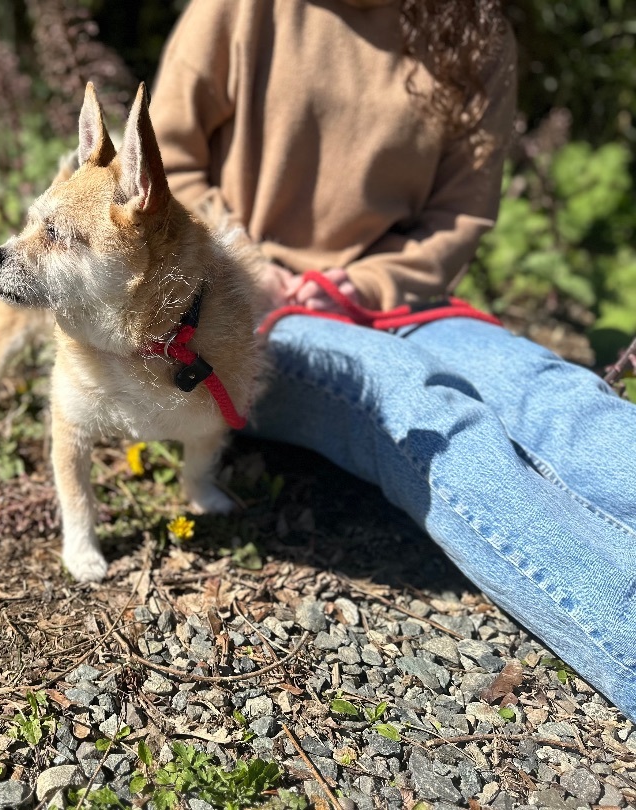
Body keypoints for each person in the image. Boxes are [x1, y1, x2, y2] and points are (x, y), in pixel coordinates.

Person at [149, 0, 636, 721]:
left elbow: (458, 218)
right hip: (247, 309)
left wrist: (362, 284)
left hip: (401, 300)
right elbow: (159, 162)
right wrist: (251, 263)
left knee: (556, 396)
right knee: (423, 406)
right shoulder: (241, 11)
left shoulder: (475, 34)